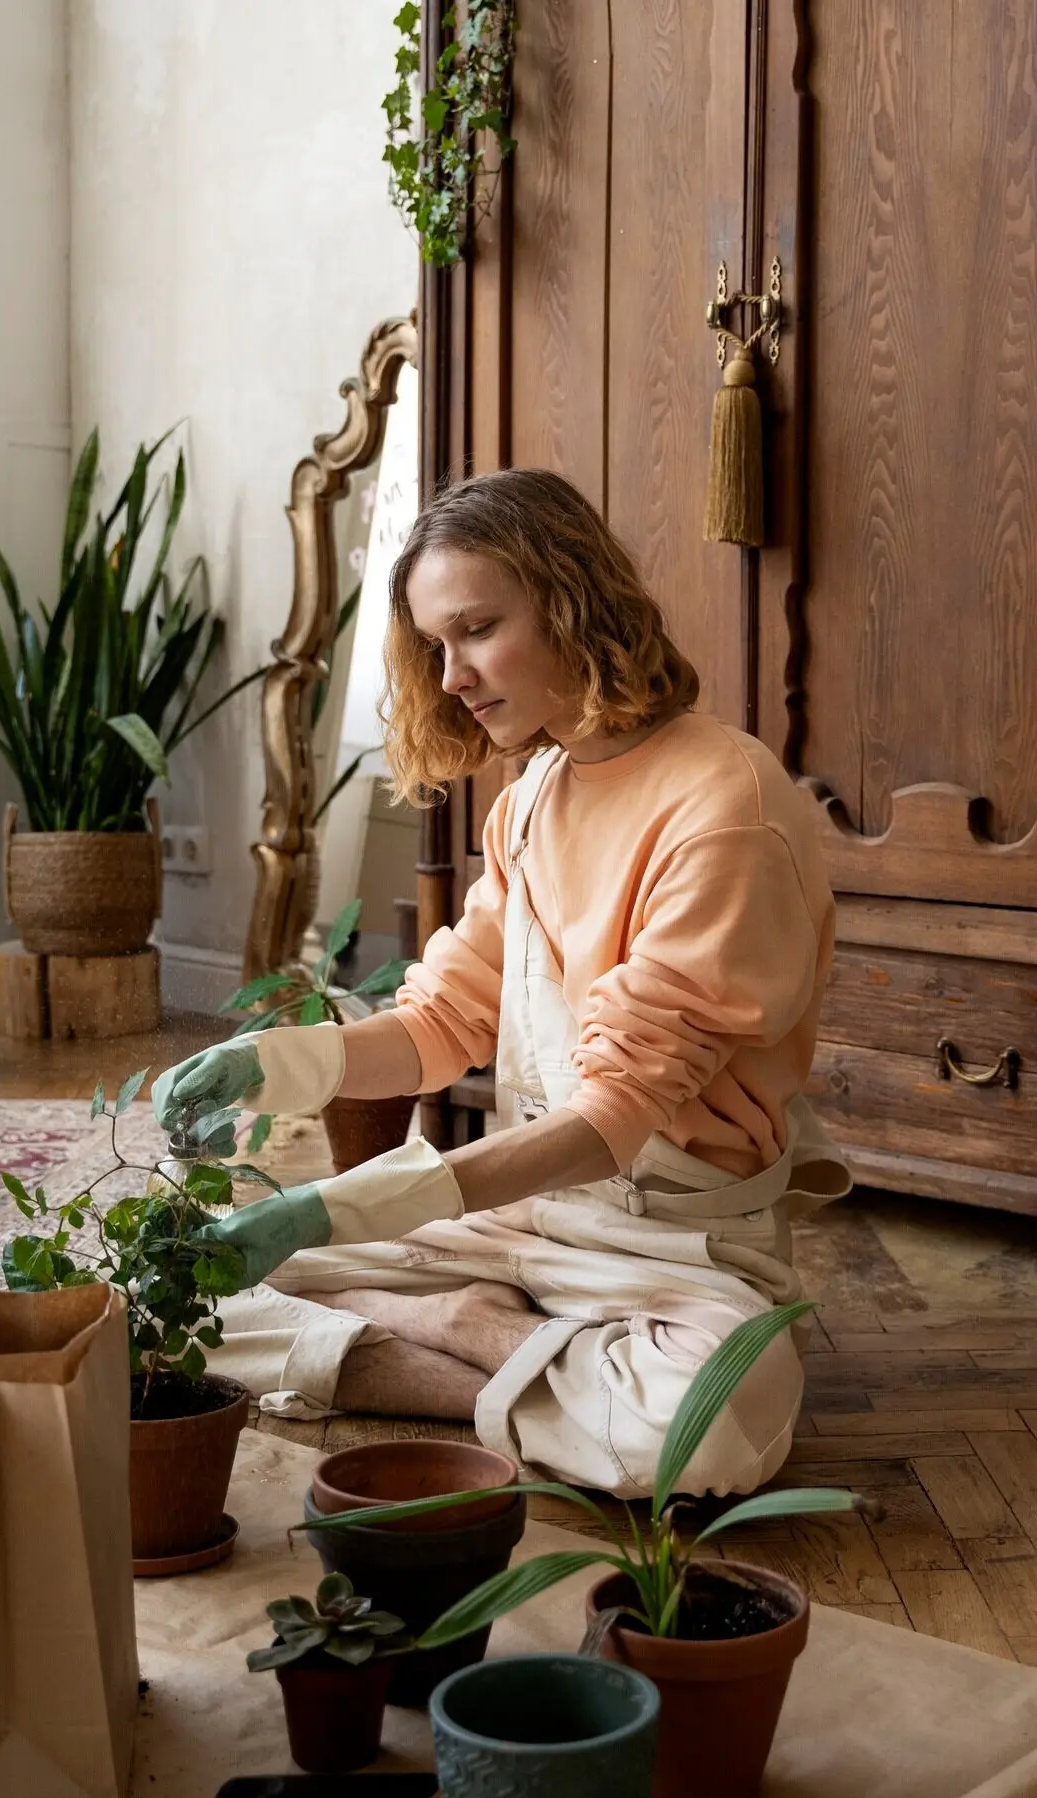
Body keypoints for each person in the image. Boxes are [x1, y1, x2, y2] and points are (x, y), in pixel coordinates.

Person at [152, 469, 850, 1499]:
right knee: (164, 1288)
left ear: (574, 603)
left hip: (673, 1246)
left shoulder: (723, 807)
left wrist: (330, 1211)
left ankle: (455, 1337)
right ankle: (497, 1345)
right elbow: (440, 1023)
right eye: (436, 645)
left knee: (707, 1430)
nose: (452, 676)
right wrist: (267, 1061)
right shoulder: (530, 798)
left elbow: (610, 1119)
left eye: (477, 630)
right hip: (521, 1214)